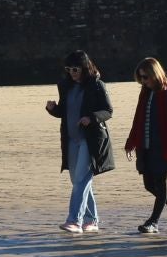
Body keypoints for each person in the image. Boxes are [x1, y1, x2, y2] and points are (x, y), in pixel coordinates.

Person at [44, 50, 114, 235]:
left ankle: (74, 220)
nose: (72, 73)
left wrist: (91, 118)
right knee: (78, 181)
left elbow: (107, 111)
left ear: (84, 68)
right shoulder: (66, 86)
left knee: (82, 180)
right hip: (71, 140)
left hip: (90, 140)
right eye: (69, 69)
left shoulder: (97, 85)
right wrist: (52, 109)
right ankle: (92, 220)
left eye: (75, 69)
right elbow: (65, 112)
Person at [123, 57, 167, 233]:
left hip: (164, 146)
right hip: (145, 147)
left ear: (155, 74)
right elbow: (138, 120)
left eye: (146, 77)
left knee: (160, 183)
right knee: (148, 185)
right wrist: (131, 143)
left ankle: (153, 222)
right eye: (141, 78)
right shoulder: (145, 92)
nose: (143, 81)